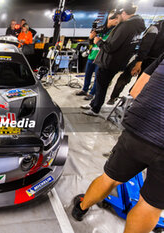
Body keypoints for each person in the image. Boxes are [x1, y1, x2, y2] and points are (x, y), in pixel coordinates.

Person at [72, 53, 164, 233]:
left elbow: (136, 91)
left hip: (140, 127)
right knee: (151, 205)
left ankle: (81, 208)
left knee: (110, 179)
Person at [81, 2, 145, 116]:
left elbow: (110, 47)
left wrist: (98, 41)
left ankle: (95, 109)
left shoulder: (126, 26)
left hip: (109, 62)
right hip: (118, 62)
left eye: (118, 16)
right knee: (102, 84)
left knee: (101, 86)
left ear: (124, 13)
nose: (117, 19)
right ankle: (93, 104)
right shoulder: (138, 26)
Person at [107, 19, 164, 105]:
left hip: (154, 62)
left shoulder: (156, 26)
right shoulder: (157, 27)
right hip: (145, 59)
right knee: (125, 79)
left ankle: (128, 102)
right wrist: (139, 62)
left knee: (139, 84)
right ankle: (115, 98)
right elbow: (145, 45)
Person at [76, 11, 119, 100]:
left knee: (97, 78)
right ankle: (84, 90)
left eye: (114, 18)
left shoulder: (114, 32)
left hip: (101, 59)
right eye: (111, 17)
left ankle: (92, 93)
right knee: (87, 75)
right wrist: (90, 38)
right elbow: (91, 42)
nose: (112, 19)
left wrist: (99, 41)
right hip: (91, 56)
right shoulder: (100, 29)